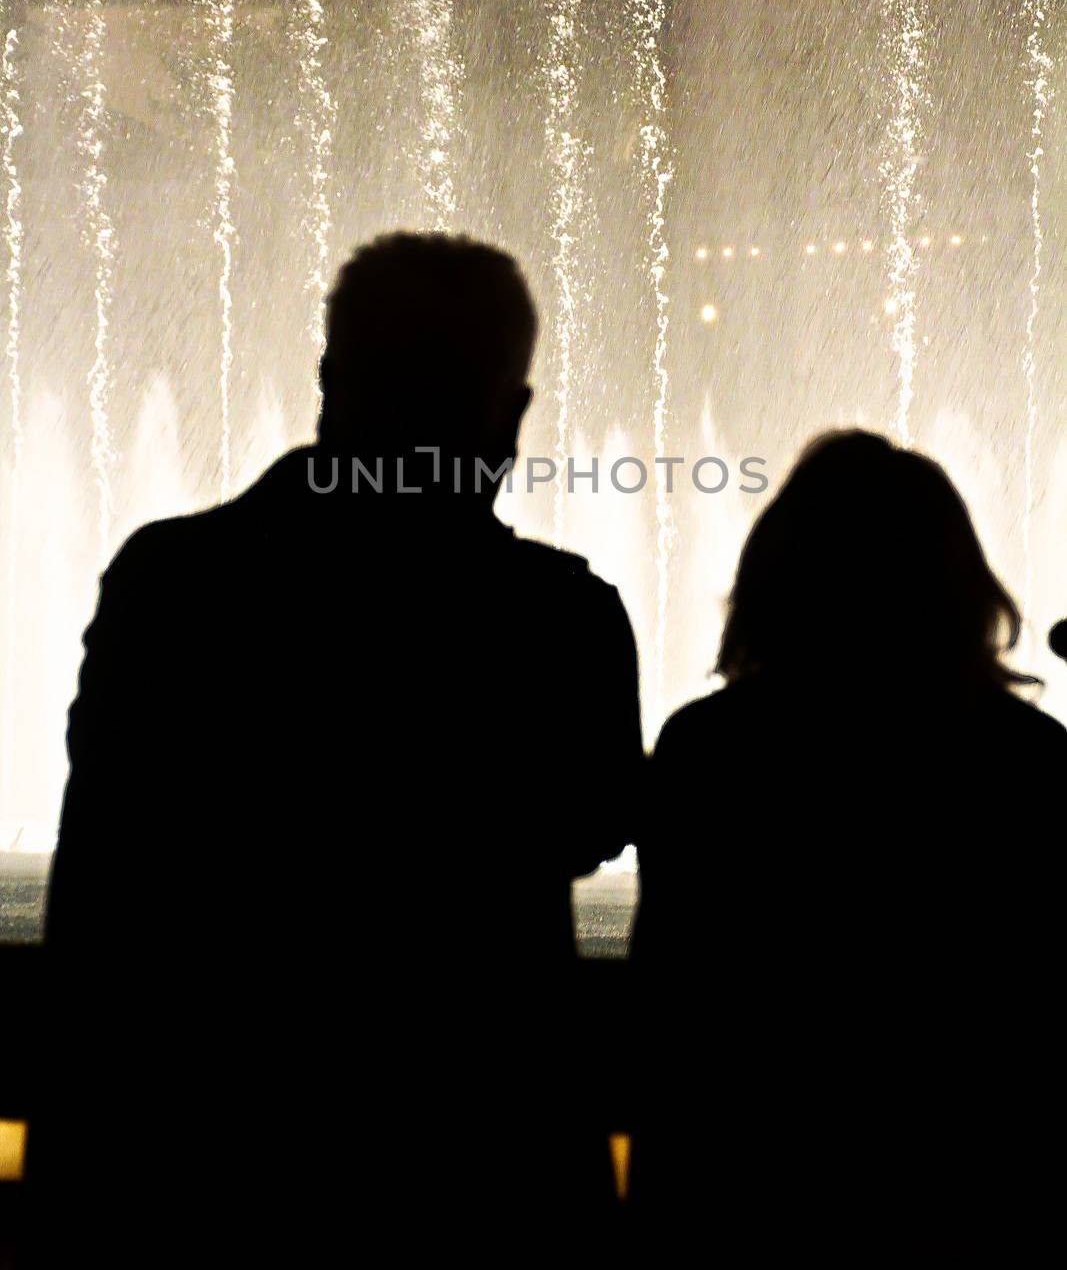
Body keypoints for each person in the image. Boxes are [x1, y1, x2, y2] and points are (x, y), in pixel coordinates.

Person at [31, 234, 643, 1264]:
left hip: (202, 1168)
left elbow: (102, 879)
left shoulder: (169, 588)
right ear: (509, 415)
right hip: (478, 1171)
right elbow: (591, 820)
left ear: (328, 378)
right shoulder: (559, 619)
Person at [631, 429, 1064, 1257]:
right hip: (971, 1189)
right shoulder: (1030, 761)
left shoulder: (710, 752)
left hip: (751, 1186)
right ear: (954, 587)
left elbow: (675, 1002)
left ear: (778, 580)